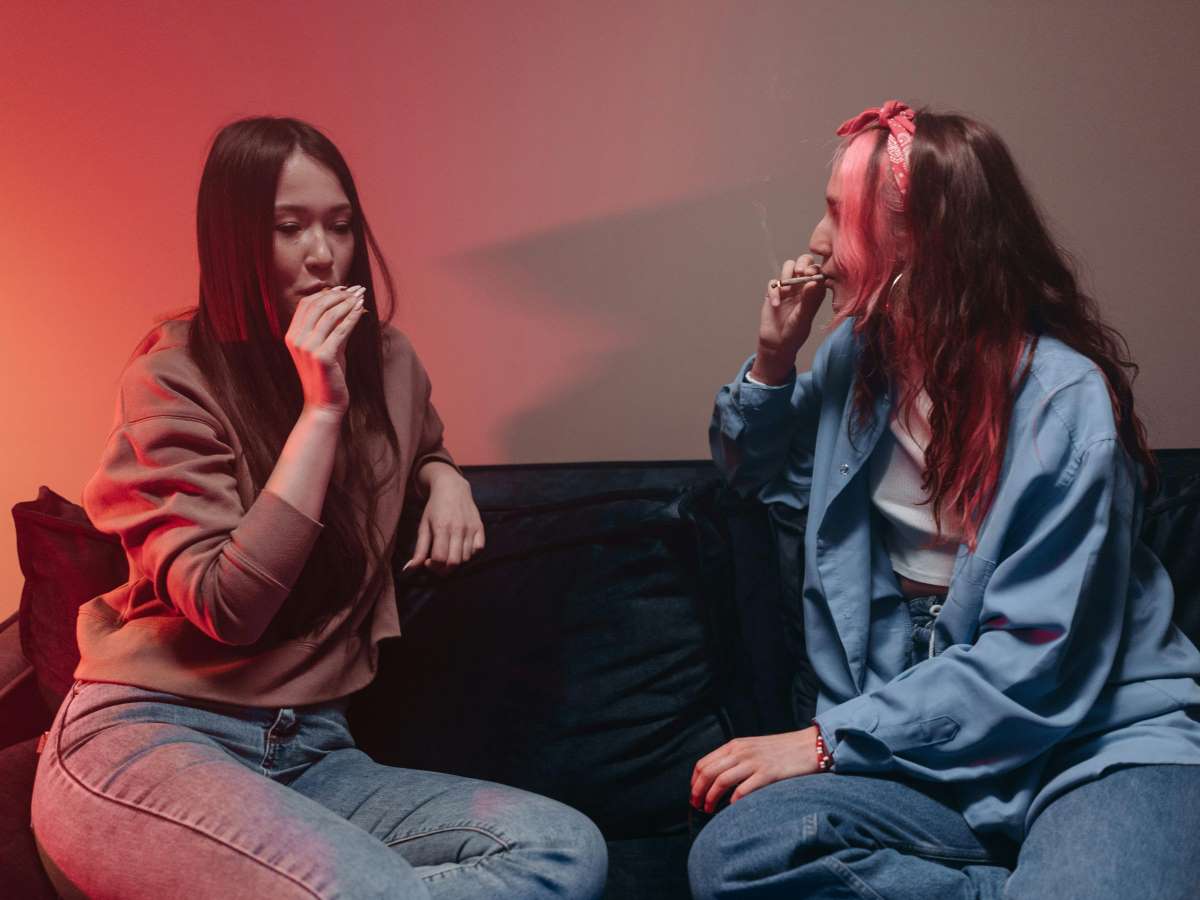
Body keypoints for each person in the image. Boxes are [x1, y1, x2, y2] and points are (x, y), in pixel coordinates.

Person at [30, 116, 608, 900]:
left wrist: (444, 476)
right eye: (288, 227)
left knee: (562, 849)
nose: (322, 254)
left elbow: (416, 445)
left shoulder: (391, 361)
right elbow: (227, 607)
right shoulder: (171, 377)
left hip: (312, 753)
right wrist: (320, 411)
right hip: (152, 738)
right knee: (365, 890)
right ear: (235, 243)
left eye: (339, 225)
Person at [689, 101, 1200, 898]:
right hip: (922, 757)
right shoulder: (858, 359)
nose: (817, 241)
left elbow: (1035, 662)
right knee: (739, 851)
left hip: (1092, 744)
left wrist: (824, 744)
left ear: (919, 240)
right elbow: (755, 478)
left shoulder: (1065, 399)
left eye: (839, 215)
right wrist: (773, 359)